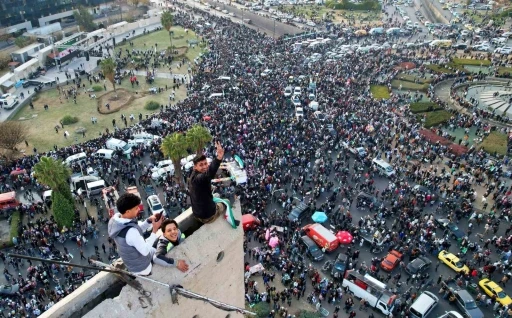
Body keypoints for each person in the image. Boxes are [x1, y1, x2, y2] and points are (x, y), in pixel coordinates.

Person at [108, 193, 162, 275]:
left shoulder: (116, 220)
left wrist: (149, 221)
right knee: (159, 253)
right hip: (142, 268)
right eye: (136, 208)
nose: (139, 210)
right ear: (128, 211)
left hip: (132, 263)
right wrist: (154, 230)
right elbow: (145, 251)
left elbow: (137, 228)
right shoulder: (131, 232)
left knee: (155, 251)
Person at [188, 141, 237, 225]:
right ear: (195, 167)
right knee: (226, 201)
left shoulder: (192, 176)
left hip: (197, 212)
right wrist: (219, 158)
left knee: (217, 195)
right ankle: (231, 219)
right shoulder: (199, 178)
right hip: (207, 216)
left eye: (205, 163)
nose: (204, 166)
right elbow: (208, 174)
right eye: (201, 165)